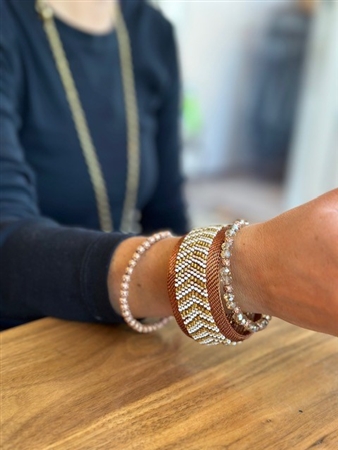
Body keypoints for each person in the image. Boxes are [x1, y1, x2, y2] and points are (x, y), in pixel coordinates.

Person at [0, 0, 337, 340]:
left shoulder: (151, 30)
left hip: (116, 333)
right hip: (20, 343)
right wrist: (235, 270)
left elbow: (167, 213)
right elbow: (6, 244)